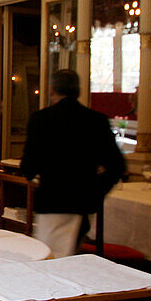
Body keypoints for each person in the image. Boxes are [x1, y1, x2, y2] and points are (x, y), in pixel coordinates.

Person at [20, 68, 126, 257]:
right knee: (70, 258)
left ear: (52, 89)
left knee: (48, 259)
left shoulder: (41, 119)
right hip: (82, 203)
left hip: (52, 201)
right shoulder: (96, 120)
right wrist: (96, 191)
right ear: (78, 91)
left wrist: (32, 177)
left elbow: (28, 165)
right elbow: (117, 166)